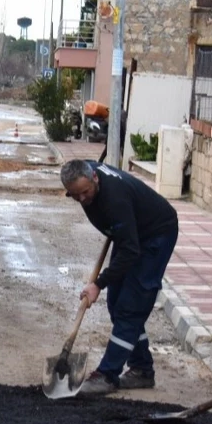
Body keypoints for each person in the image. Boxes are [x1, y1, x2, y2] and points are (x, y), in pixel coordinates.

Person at [60, 158, 179, 396]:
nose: (82, 199)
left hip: (155, 235)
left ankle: (107, 375)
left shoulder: (115, 199)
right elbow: (126, 241)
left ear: (94, 177)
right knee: (116, 303)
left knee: (130, 307)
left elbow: (130, 251)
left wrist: (98, 284)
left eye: (85, 192)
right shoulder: (85, 174)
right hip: (130, 235)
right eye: (75, 195)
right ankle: (141, 370)